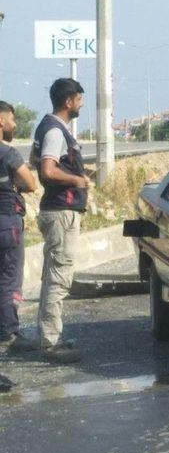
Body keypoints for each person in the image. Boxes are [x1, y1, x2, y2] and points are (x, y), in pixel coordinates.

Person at [30, 78, 89, 362]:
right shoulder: (55, 131)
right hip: (60, 212)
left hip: (57, 211)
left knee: (53, 274)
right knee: (59, 277)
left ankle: (48, 336)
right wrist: (77, 180)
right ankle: (50, 343)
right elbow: (47, 171)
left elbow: (33, 159)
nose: (81, 104)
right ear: (68, 101)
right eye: (79, 98)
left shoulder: (50, 128)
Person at [0, 101, 38, 354]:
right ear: (1, 121)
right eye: (12, 119)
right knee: (9, 279)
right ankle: (8, 333)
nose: (14, 124)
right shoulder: (7, 153)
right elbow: (31, 183)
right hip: (6, 223)